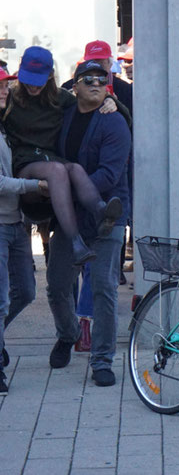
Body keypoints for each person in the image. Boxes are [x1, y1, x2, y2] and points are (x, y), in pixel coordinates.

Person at [44, 60, 131, 385]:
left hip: (107, 213)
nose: (96, 83)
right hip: (70, 218)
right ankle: (68, 334)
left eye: (102, 79)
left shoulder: (114, 122)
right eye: (88, 78)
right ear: (75, 85)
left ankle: (102, 360)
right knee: (56, 285)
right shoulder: (62, 116)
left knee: (104, 289)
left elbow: (110, 175)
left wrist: (64, 190)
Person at [2, 46, 123, 265]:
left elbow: (88, 103)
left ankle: (101, 210)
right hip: (25, 164)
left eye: (38, 80)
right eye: (28, 79)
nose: (32, 86)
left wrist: (112, 102)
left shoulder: (60, 98)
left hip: (50, 160)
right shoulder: (11, 98)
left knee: (74, 168)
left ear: (50, 75)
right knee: (58, 170)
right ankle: (76, 243)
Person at [0, 67, 46, 394]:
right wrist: (34, 185)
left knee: (27, 292)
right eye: (0, 86)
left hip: (16, 224)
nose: (5, 90)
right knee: (0, 301)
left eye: (6, 85)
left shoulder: (7, 124)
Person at [60, 40, 133, 115]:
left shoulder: (125, 90)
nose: (96, 66)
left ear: (110, 63)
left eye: (100, 62)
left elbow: (131, 122)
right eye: (92, 62)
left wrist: (117, 106)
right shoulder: (68, 87)